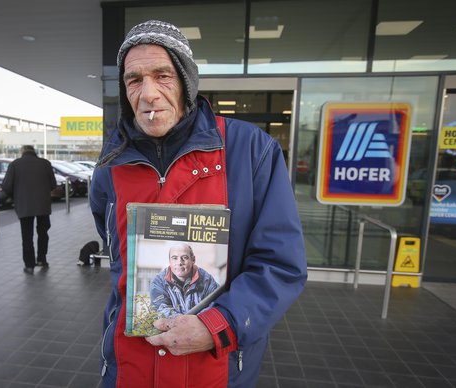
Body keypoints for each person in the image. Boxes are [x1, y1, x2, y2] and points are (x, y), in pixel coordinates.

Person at [89, 20, 307, 388]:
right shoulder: (112, 163)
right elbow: (119, 261)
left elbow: (280, 264)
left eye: (163, 75)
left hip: (215, 368)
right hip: (128, 369)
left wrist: (217, 325)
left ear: (187, 82)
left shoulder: (251, 150)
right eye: (134, 79)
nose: (149, 94)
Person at [2, 145, 56, 274]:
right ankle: (42, 259)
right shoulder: (45, 163)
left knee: (27, 236)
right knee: (43, 233)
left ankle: (29, 265)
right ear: (34, 152)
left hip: (24, 205)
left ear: (22, 152)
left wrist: (15, 195)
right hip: (43, 205)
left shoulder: (15, 164)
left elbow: (7, 186)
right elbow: (53, 184)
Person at [150, 242, 219, 318]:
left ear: (193, 260)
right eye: (174, 258)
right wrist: (186, 321)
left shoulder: (206, 280)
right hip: (172, 328)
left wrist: (195, 321)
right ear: (169, 261)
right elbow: (160, 311)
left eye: (185, 257)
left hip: (199, 327)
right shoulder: (159, 282)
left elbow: (216, 305)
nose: (179, 262)